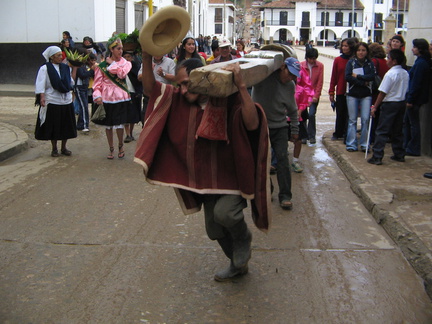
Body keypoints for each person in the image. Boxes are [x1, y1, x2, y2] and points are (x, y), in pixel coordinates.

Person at [135, 52, 270, 281]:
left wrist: (242, 87)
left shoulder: (227, 96)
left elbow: (252, 122)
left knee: (225, 214)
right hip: (205, 181)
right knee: (214, 230)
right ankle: (238, 264)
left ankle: (243, 239)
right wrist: (146, 57)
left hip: (231, 178)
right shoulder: (177, 98)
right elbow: (150, 90)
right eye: (180, 85)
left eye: (187, 84)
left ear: (201, 78)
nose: (184, 90)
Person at [252, 57, 300, 210]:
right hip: (260, 125)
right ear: (282, 67)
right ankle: (268, 188)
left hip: (279, 127)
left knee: (282, 159)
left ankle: (285, 196)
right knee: (260, 161)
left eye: (294, 76)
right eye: (290, 74)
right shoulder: (263, 77)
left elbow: (292, 110)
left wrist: (295, 130)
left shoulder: (290, 86)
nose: (291, 78)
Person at [367, 49, 409, 165]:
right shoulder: (405, 73)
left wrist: (375, 106)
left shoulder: (390, 74)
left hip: (390, 104)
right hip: (401, 103)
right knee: (397, 130)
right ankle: (399, 154)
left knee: (382, 130)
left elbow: (382, 92)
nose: (387, 60)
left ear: (394, 61)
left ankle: (377, 156)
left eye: (389, 58)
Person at [34, 46, 78, 157]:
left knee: (65, 125)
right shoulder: (45, 68)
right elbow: (41, 84)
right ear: (52, 57)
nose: (61, 57)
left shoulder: (65, 68)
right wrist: (42, 97)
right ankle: (54, 148)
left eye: (61, 55)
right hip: (53, 100)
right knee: (54, 125)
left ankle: (64, 147)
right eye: (58, 55)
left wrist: (75, 69)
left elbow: (71, 82)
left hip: (65, 100)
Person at [93, 37, 132, 159]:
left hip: (121, 97)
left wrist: (112, 64)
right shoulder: (101, 66)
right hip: (107, 98)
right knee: (108, 125)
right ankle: (111, 148)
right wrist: (97, 96)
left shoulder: (126, 63)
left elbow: (121, 74)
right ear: (111, 49)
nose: (120, 51)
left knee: (119, 124)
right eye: (118, 48)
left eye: (121, 49)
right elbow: (97, 83)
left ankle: (121, 145)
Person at [345, 42, 376, 152]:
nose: (361, 52)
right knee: (352, 120)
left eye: (363, 50)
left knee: (365, 119)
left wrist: (358, 76)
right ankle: (351, 144)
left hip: (366, 95)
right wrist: (362, 82)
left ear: (367, 51)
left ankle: (364, 144)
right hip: (353, 94)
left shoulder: (370, 64)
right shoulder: (351, 63)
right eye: (359, 50)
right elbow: (348, 76)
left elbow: (371, 76)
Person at [403, 38, 431, 157]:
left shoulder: (421, 64)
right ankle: (408, 145)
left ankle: (413, 147)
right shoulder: (421, 62)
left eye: (414, 47)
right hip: (417, 98)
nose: (412, 49)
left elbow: (416, 83)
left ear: (419, 49)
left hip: (415, 99)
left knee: (413, 124)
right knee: (409, 123)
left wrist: (410, 99)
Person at [329, 38, 356, 141]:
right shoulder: (338, 60)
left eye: (346, 46)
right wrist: (332, 92)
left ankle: (347, 134)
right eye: (343, 46)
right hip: (341, 90)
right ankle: (338, 133)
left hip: (352, 91)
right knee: (340, 113)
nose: (344, 48)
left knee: (350, 115)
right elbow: (334, 77)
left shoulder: (354, 60)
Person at [291, 61, 314, 173]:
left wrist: (299, 111)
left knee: (298, 140)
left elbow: (303, 102)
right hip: (282, 119)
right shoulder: (282, 88)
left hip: (296, 119)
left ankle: (295, 161)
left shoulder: (300, 89)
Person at [301, 47, 324, 145]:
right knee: (303, 115)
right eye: (310, 58)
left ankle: (311, 136)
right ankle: (303, 135)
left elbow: (320, 82)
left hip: (314, 94)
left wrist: (316, 95)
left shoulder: (320, 66)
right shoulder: (301, 65)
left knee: (311, 114)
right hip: (303, 95)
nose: (312, 60)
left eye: (314, 58)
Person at [368, 42, 390, 144]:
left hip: (375, 93)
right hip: (385, 93)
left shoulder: (373, 62)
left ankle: (371, 138)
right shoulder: (386, 63)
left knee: (373, 116)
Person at [122, 51, 143, 142]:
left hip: (134, 93)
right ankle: (127, 134)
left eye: (128, 56)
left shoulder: (136, 67)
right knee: (125, 114)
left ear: (132, 58)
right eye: (125, 56)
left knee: (133, 114)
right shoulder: (119, 67)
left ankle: (130, 132)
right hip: (123, 94)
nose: (127, 58)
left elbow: (139, 81)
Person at [75, 52, 97, 132]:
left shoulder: (87, 66)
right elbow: (82, 75)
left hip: (85, 87)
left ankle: (80, 124)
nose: (93, 62)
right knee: (84, 106)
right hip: (80, 87)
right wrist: (92, 70)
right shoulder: (81, 66)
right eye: (92, 60)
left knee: (83, 106)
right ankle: (85, 125)